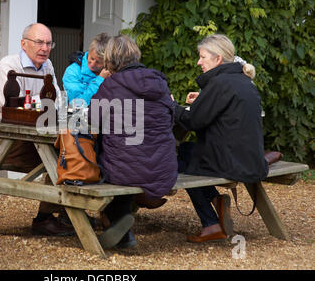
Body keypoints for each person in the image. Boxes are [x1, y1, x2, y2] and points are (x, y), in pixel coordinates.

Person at [0, 23, 74, 237]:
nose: (45, 48)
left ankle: (69, 214)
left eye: (49, 43)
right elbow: (21, 110)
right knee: (62, 154)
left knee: (74, 149)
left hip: (33, 137)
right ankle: (45, 219)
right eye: (39, 42)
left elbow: (56, 100)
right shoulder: (9, 67)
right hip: (1, 141)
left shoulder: (47, 66)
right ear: (24, 44)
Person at [174, 34, 269, 243]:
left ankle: (210, 224)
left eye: (203, 57)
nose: (199, 62)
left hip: (230, 162)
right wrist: (204, 98)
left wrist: (169, 104)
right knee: (188, 149)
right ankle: (215, 199)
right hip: (250, 159)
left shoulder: (219, 83)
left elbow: (192, 121)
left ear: (217, 59)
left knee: (179, 163)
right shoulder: (242, 81)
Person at [88, 35, 178, 249]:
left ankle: (120, 227)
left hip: (125, 171)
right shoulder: (159, 83)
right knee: (126, 154)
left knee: (107, 157)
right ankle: (118, 225)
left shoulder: (111, 86)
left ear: (110, 60)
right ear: (135, 55)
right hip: (163, 170)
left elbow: (91, 120)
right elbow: (172, 118)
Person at [62, 32, 111, 105]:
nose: (93, 64)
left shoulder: (111, 70)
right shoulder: (72, 71)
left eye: (98, 62)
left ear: (106, 61)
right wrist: (100, 80)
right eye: (91, 58)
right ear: (89, 51)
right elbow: (76, 104)